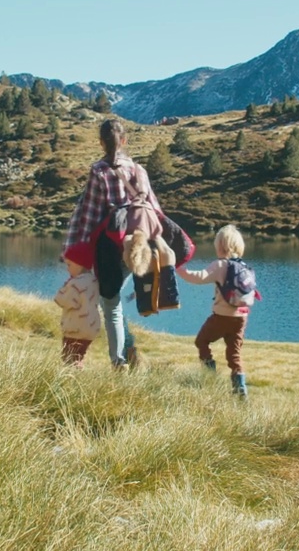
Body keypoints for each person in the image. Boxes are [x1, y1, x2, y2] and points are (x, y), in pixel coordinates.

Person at [63, 119, 165, 368]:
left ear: (101, 143)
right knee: (114, 299)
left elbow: (87, 214)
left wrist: (71, 248)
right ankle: (129, 355)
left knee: (111, 304)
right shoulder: (139, 170)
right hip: (139, 247)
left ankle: (119, 362)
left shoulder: (99, 171)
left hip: (110, 246)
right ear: (124, 141)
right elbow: (154, 209)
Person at [176, 224, 255, 398]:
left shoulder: (220, 265)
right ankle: (241, 392)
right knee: (234, 355)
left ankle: (209, 375)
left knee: (201, 341)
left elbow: (198, 278)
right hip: (241, 317)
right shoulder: (244, 267)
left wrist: (178, 268)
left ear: (220, 246)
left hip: (222, 316)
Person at [53, 259, 101, 368]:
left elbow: (61, 300)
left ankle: (73, 378)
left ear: (79, 266)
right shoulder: (94, 280)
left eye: (69, 265)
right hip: (91, 327)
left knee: (68, 357)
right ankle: (78, 373)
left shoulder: (75, 283)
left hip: (75, 328)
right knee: (79, 355)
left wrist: (65, 287)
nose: (67, 268)